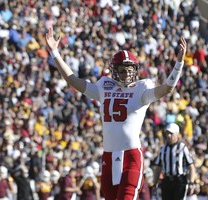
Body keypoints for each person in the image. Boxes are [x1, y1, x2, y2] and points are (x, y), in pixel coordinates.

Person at [45, 27, 187, 200]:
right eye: (122, 69)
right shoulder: (104, 87)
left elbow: (167, 88)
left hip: (131, 156)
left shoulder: (141, 89)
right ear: (114, 70)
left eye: (129, 69)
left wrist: (178, 64)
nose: (127, 73)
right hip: (109, 157)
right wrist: (54, 52)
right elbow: (72, 80)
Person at [153, 123, 196, 200]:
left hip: (179, 181)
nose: (169, 136)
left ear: (177, 134)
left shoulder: (182, 148)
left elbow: (191, 166)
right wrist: (155, 183)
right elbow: (158, 167)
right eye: (167, 133)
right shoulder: (163, 149)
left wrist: (191, 182)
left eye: (171, 133)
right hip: (166, 180)